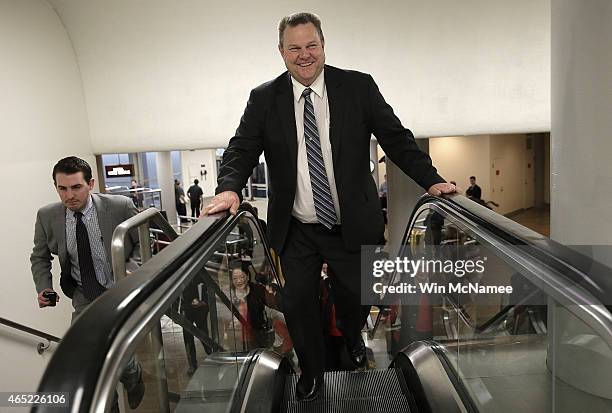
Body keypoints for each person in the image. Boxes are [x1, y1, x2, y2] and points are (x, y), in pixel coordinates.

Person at [203, 13, 455, 401]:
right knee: (298, 302)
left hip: (350, 223)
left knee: (357, 295)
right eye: (294, 48)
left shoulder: (358, 87)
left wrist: (431, 179)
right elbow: (241, 148)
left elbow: (397, 138)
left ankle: (353, 335)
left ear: (323, 45)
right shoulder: (264, 98)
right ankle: (312, 372)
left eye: (311, 46)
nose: (304, 55)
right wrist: (229, 188)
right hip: (297, 226)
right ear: (281, 52)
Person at [30, 156, 145, 411]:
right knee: (87, 359)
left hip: (117, 289)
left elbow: (141, 244)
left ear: (90, 183)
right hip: (82, 294)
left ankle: (133, 373)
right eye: (62, 188)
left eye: (76, 187)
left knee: (116, 347)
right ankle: (109, 406)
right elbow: (39, 257)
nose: (69, 195)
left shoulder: (120, 206)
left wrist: (127, 274)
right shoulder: (47, 216)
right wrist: (44, 288)